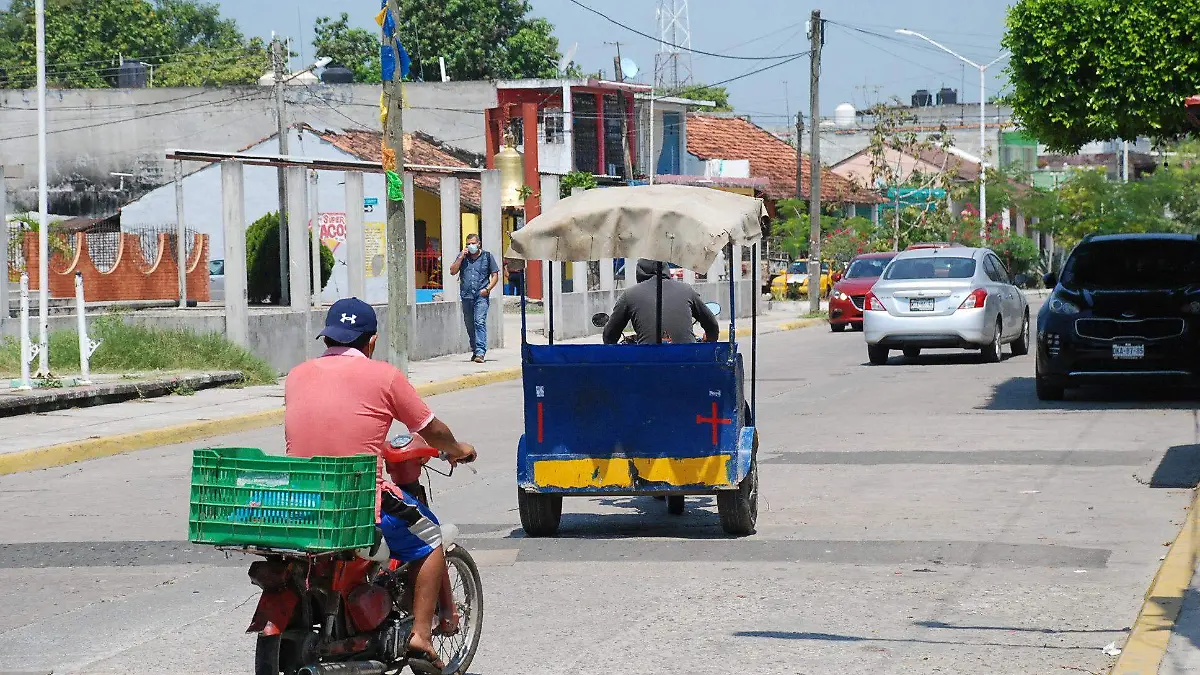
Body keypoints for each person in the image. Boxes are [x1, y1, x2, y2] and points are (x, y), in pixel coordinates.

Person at [284, 297, 477, 672]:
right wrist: (458, 449)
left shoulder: (296, 375)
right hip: (357, 501)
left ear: (326, 338)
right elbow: (431, 430)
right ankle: (420, 635)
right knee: (432, 537)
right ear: (371, 342)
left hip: (302, 500)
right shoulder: (385, 376)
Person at [603, 259, 720, 345]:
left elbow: (609, 336)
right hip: (686, 362)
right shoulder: (686, 290)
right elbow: (712, 326)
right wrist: (709, 340)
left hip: (647, 365)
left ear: (639, 272)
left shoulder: (629, 295)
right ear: (666, 269)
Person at [449, 233, 499, 363]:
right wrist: (460, 257)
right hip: (466, 296)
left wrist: (488, 289)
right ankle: (475, 350)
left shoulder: (487, 256)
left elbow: (495, 275)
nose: (471, 246)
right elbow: (452, 271)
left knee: (479, 322)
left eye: (473, 243)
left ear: (479, 243)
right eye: (468, 244)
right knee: (470, 325)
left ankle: (481, 352)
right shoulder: (463, 257)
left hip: (481, 296)